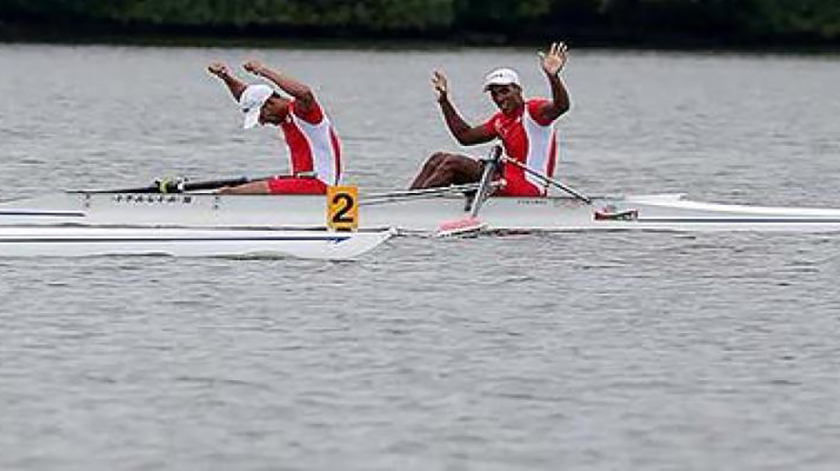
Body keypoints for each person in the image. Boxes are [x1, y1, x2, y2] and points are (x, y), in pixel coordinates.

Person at [410, 42, 571, 197]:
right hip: (503, 182)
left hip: (528, 189)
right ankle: (404, 203)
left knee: (453, 163)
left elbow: (561, 106)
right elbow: (465, 136)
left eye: (504, 91)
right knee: (437, 158)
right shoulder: (500, 121)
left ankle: (414, 209)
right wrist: (444, 101)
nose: (499, 98)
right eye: (494, 94)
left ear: (518, 90)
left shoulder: (534, 111)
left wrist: (553, 77)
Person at [207, 60, 341, 194]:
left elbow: (305, 93)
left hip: (319, 185)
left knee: (231, 193)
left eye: (262, 116)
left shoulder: (303, 114)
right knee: (241, 187)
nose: (263, 122)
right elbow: (243, 95)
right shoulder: (283, 118)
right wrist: (225, 77)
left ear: (270, 103)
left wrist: (262, 70)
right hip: (303, 182)